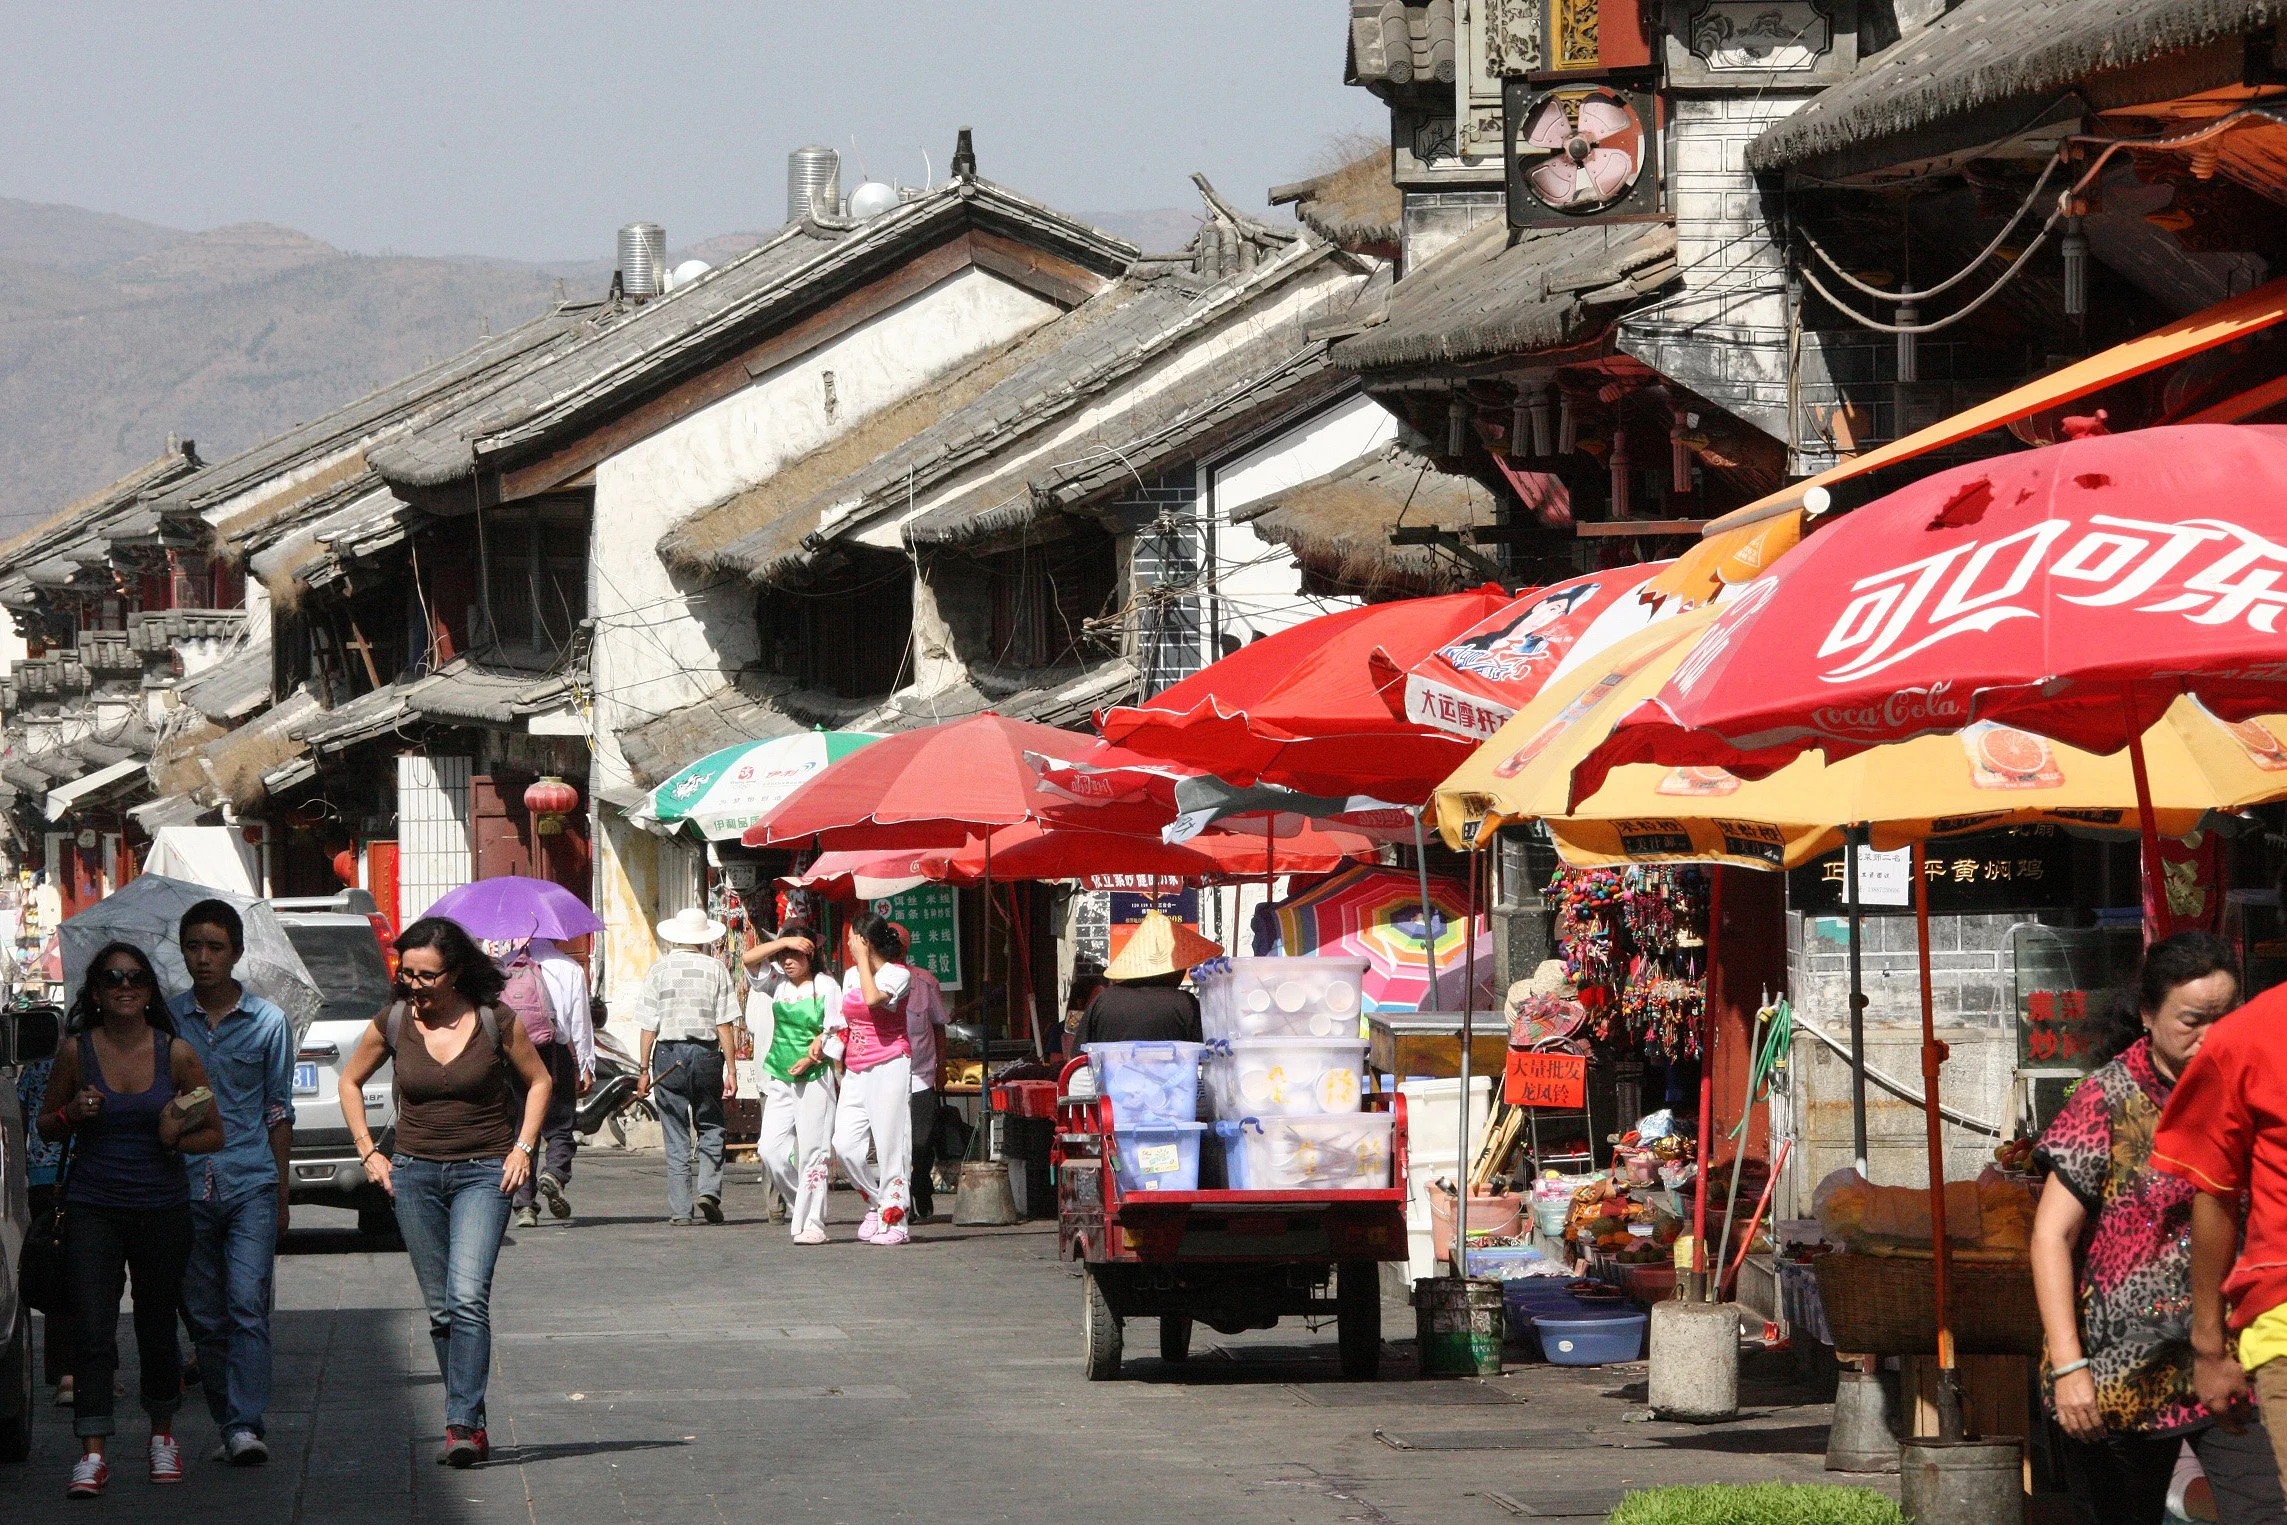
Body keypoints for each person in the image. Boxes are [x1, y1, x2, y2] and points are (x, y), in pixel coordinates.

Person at [2032, 931, 2287, 1524]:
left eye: (2226, 1017)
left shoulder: (2245, 1088)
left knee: (2266, 1511)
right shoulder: (2106, 1097)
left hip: (2224, 1361)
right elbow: (2050, 1237)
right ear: (2148, 1015)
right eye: (2192, 1020)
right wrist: (2069, 1367)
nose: (2211, 1036)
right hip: (2118, 1372)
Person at [337, 916, 552, 1469]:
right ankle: (468, 1417)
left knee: (466, 1298)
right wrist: (368, 1151)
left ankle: (461, 1423)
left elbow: (539, 1081)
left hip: (484, 1173)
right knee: (440, 1309)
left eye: (426, 976)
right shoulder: (392, 1021)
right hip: (414, 1176)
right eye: (406, 973)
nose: (413, 985)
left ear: (454, 973)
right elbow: (349, 1081)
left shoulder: (494, 1020)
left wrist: (523, 1148)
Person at [35, 942, 223, 1497]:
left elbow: (214, 1131)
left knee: (157, 1325)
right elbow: (46, 1126)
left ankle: (162, 1436)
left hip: (161, 1208)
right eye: (113, 978)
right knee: (92, 1329)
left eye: (135, 978)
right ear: (95, 991)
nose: (124, 986)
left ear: (148, 991)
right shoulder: (76, 1053)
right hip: (92, 1206)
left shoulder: (177, 1054)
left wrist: (173, 1134)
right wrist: (72, 1112)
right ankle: (92, 1451)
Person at [2156, 935, 2287, 1498]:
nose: (2205, 1031)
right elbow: (2215, 1196)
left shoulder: (2243, 1037)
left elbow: (2215, 1197)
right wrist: (2209, 1346)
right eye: (2192, 1018)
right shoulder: (2245, 1038)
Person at [170, 900, 296, 1468]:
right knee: (202, 1314)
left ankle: (245, 1424)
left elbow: (278, 1110)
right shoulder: (166, 1022)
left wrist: (282, 1192)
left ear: (236, 953)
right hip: (184, 1183)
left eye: (215, 947)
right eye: (193, 946)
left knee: (247, 1304)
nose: (203, 957)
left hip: (250, 1182)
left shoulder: (268, 1022)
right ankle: (229, 1420)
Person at [630, 907, 740, 1226]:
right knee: (711, 1124)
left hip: (668, 1055)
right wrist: (732, 1069)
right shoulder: (716, 969)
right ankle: (709, 1191)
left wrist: (644, 1071)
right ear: (704, 939)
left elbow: (648, 1027)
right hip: (706, 1055)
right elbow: (724, 1024)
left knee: (676, 1131)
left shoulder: (659, 969)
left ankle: (681, 1210)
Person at [740, 923, 842, 1244]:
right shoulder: (778, 984)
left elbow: (837, 1030)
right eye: (783, 954)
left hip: (814, 1077)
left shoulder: (826, 986)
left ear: (811, 955)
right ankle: (803, 1203)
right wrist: (784, 941)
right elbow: (748, 959)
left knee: (813, 1150)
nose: (787, 960)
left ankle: (814, 1222)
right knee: (769, 1149)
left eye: (795, 954)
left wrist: (815, 1053)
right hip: (781, 1075)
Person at [833, 914, 914, 1246]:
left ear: (865, 942)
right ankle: (877, 1201)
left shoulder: (899, 974)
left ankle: (896, 1221)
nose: (848, 944)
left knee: (890, 1145)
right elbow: (846, 1020)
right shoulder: (851, 975)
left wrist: (864, 960)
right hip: (856, 1068)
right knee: (844, 1145)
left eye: (853, 938)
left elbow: (872, 999)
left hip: (890, 1064)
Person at [510, 936, 595, 1228]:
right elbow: (580, 1022)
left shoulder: (506, 965)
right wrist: (585, 1064)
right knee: (560, 1124)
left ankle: (524, 1206)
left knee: (523, 1129)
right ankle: (555, 1172)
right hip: (554, 1054)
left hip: (515, 1055)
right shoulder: (568, 967)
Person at [1073, 911, 1216, 1048]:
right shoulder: (1185, 1003)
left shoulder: (1104, 1000)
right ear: (1172, 971)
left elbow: (1077, 1057)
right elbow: (1205, 1055)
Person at [894, 924, 949, 1223]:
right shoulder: (869, 982)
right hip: (888, 1075)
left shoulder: (925, 982)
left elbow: (938, 1026)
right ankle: (903, 1201)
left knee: (921, 1141)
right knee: (896, 1141)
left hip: (922, 1074)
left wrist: (941, 1067)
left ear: (906, 949)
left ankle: (921, 1184)